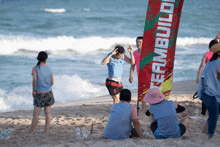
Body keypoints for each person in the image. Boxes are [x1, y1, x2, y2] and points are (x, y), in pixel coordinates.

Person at [197, 42, 220, 139]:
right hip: (209, 93)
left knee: (216, 111)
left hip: (203, 91)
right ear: (218, 52)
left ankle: (206, 130)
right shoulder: (218, 63)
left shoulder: (210, 62)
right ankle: (210, 136)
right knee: (214, 113)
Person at [29, 51, 55, 135]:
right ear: (45, 59)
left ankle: (31, 132)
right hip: (49, 93)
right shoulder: (49, 68)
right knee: (47, 114)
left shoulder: (35, 68)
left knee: (36, 115)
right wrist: (48, 87)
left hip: (39, 93)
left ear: (38, 58)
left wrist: (34, 90)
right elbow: (52, 81)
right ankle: (46, 130)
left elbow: (35, 80)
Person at [196, 39, 219, 115]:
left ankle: (203, 111)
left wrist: (198, 76)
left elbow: (202, 65)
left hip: (207, 77)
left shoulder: (207, 54)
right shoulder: (218, 55)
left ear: (210, 47)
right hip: (216, 77)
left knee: (205, 92)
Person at [129, 36, 146, 113]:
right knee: (141, 92)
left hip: (147, 75)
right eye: (137, 42)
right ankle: (142, 108)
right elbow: (133, 65)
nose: (138, 43)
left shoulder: (146, 53)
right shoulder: (135, 53)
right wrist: (130, 75)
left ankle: (143, 109)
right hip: (139, 76)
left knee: (145, 92)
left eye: (140, 42)